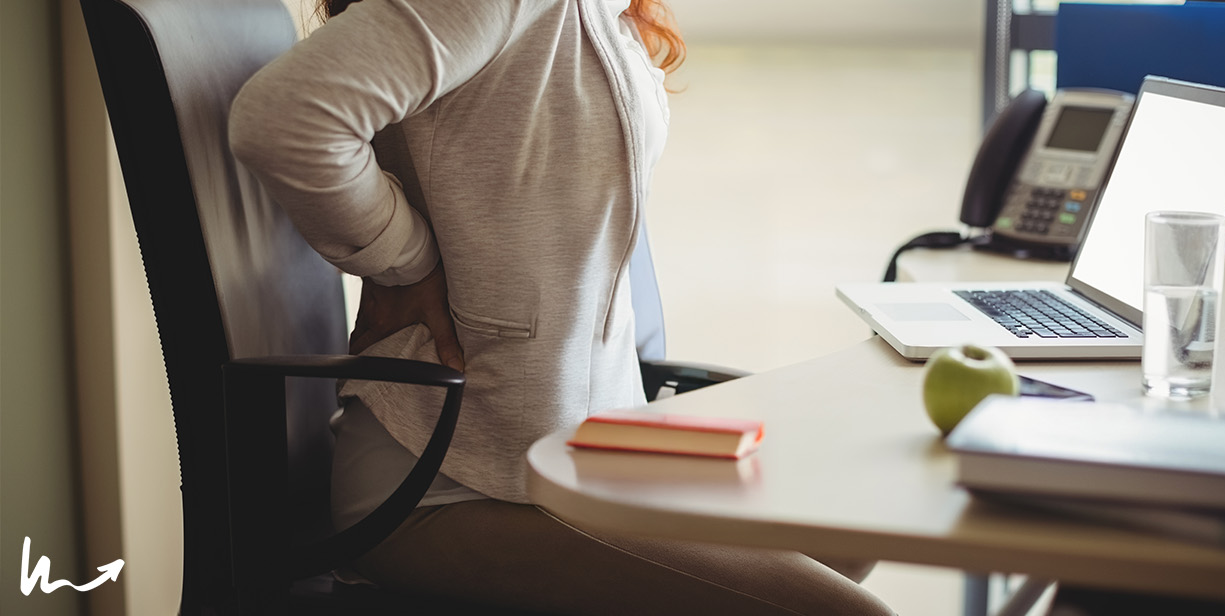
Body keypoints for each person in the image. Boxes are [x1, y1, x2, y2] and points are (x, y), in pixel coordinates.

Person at [230, 0, 897, 613]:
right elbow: (284, 119)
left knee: (849, 528)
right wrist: (407, 259)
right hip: (440, 482)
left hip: (576, 451)